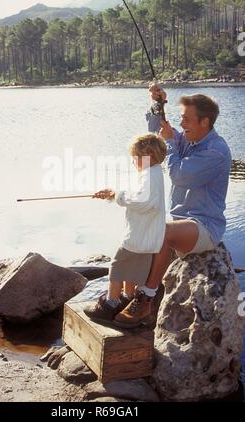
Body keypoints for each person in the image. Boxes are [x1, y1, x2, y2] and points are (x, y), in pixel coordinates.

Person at [113, 83, 232, 328]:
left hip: (204, 227)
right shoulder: (189, 139)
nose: (182, 124)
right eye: (181, 118)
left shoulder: (216, 151)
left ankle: (145, 298)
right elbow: (159, 131)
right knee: (142, 229)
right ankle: (125, 296)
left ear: (205, 122)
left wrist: (169, 145)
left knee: (162, 231)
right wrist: (158, 104)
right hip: (181, 222)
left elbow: (179, 174)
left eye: (187, 120)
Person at [84, 133, 167, 328]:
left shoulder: (151, 175)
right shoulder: (152, 173)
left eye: (136, 158)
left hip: (137, 238)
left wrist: (118, 196)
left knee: (118, 266)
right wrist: (113, 194)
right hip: (146, 238)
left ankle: (110, 303)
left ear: (151, 157)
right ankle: (127, 299)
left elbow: (144, 201)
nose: (133, 162)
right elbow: (137, 196)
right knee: (134, 272)